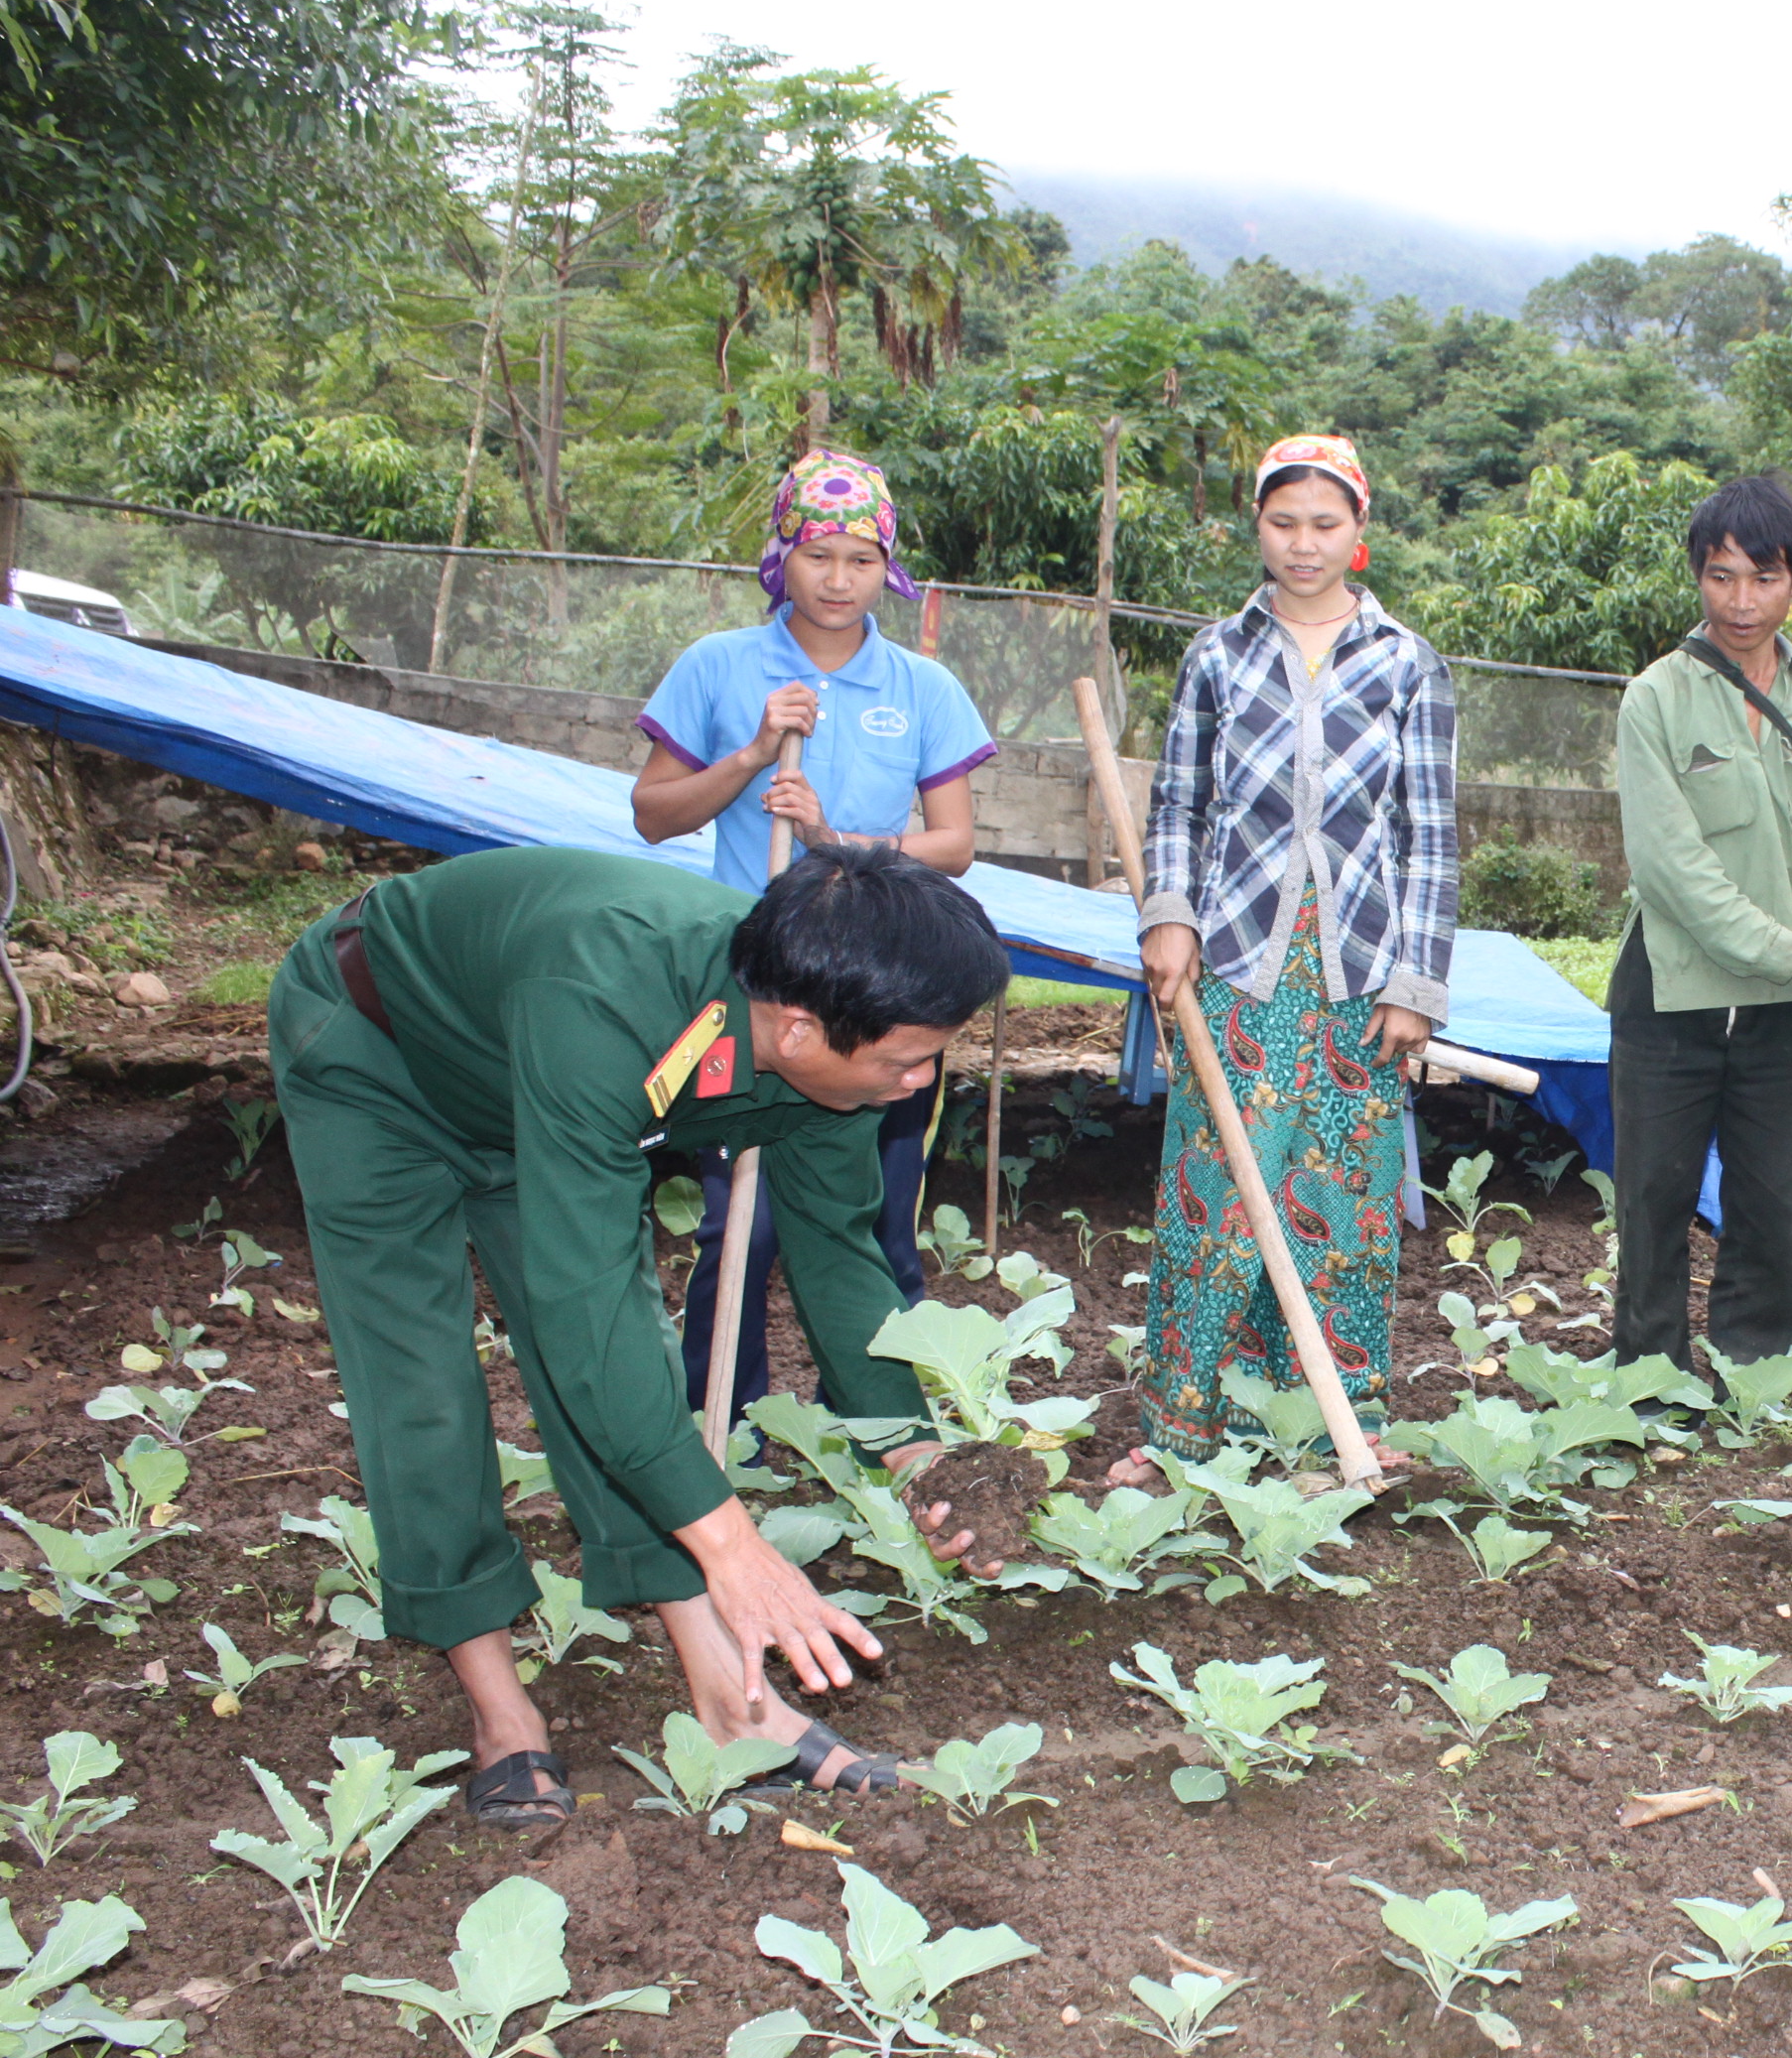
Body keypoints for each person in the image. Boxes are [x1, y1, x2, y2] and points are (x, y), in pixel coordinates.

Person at [266, 843, 1011, 1826]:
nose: (919, 1083)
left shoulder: (838, 1046)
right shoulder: (611, 996)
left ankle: (729, 1700)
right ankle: (501, 1714)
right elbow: (589, 1312)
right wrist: (732, 1544)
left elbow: (837, 1250)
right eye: (905, 1059)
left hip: (531, 1086)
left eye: (933, 1054)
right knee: (424, 1379)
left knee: (630, 1367)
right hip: (378, 1052)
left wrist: (914, 1453)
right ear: (796, 1029)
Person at [628, 449, 991, 1416]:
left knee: (876, 1229)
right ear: (781, 555)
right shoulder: (719, 667)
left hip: (882, 998)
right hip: (750, 992)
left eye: (862, 560)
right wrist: (748, 755)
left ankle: (879, 1428)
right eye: (819, 554)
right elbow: (653, 814)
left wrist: (839, 838)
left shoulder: (921, 687)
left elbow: (953, 844)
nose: (839, 580)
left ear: (891, 572)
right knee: (735, 1227)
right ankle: (726, 1423)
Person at [1124, 433, 1456, 1458]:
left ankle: (1324, 1429)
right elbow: (1179, 799)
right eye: (1283, 522)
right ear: (1255, 527)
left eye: (1325, 523)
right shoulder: (1218, 656)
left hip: (1359, 969)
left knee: (1342, 1195)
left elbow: (1431, 835)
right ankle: (1186, 1427)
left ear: (1359, 532)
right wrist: (1167, 915)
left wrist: (1417, 984)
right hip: (1234, 958)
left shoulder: (1407, 664)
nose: (1303, 544)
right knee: (1215, 1185)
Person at [1608, 472, 1792, 1376]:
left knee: (1768, 1195)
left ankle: (1756, 1372)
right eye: (1721, 577)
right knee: (1654, 1193)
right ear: (1698, 577)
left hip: (1781, 999)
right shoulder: (1656, 699)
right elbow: (1670, 870)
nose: (1742, 601)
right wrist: (1790, 949)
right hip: (1674, 989)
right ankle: (1648, 1377)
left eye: (1763, 578)